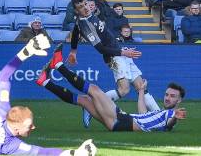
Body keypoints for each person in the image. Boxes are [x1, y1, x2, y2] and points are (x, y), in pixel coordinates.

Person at [36, 44, 187, 132]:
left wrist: (174, 117)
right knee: (84, 101)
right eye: (167, 94)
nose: (167, 98)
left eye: (172, 96)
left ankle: (58, 65)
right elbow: (142, 113)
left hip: (122, 120)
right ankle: (45, 82)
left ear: (179, 100)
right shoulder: (160, 113)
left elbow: (170, 125)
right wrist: (141, 91)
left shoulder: (169, 115)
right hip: (119, 122)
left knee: (94, 90)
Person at [67, 0, 160, 127]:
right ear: (77, 11)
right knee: (124, 90)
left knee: (141, 87)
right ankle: (91, 105)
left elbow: (75, 31)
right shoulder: (85, 25)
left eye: (85, 4)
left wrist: (73, 51)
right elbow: (100, 49)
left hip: (120, 51)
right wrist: (123, 52)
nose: (85, 8)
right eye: (80, 7)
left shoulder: (87, 17)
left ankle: (159, 115)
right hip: (113, 56)